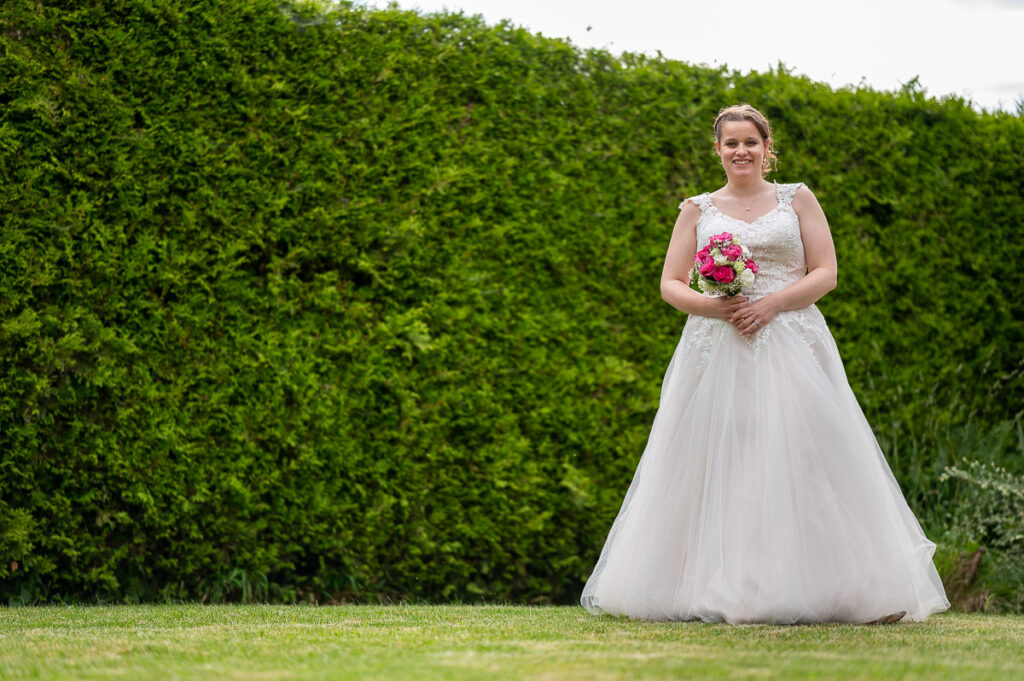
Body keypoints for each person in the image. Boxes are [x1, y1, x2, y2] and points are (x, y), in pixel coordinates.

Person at [579, 104, 950, 625]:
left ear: (765, 147)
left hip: (792, 340)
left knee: (808, 454)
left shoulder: (796, 198)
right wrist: (716, 306)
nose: (740, 151)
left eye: (750, 142)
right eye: (730, 143)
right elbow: (670, 283)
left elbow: (826, 273)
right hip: (718, 346)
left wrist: (773, 303)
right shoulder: (697, 209)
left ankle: (847, 588)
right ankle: (724, 586)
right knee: (721, 458)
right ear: (718, 150)